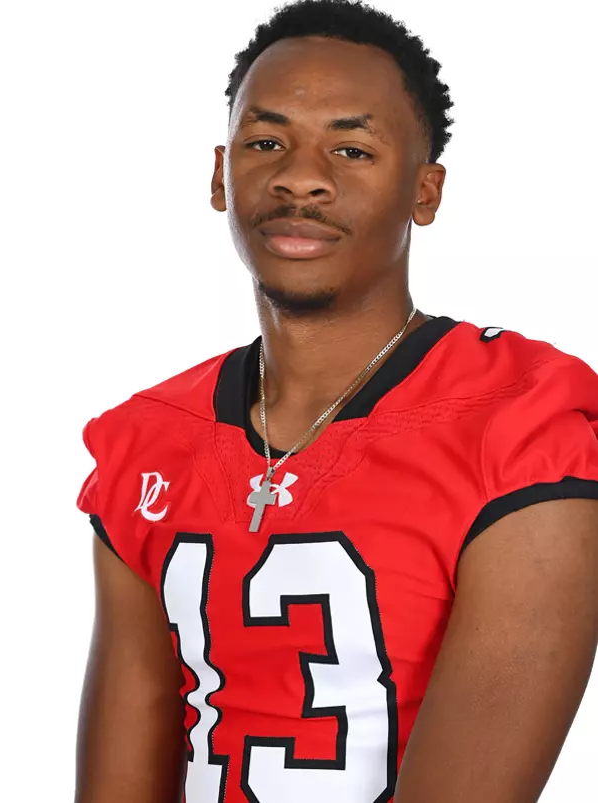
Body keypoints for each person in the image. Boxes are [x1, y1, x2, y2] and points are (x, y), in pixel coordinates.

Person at [74, 1, 598, 801]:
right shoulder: (148, 441)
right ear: (220, 174)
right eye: (265, 142)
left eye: (351, 148)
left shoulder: (521, 423)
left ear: (425, 191)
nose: (299, 177)